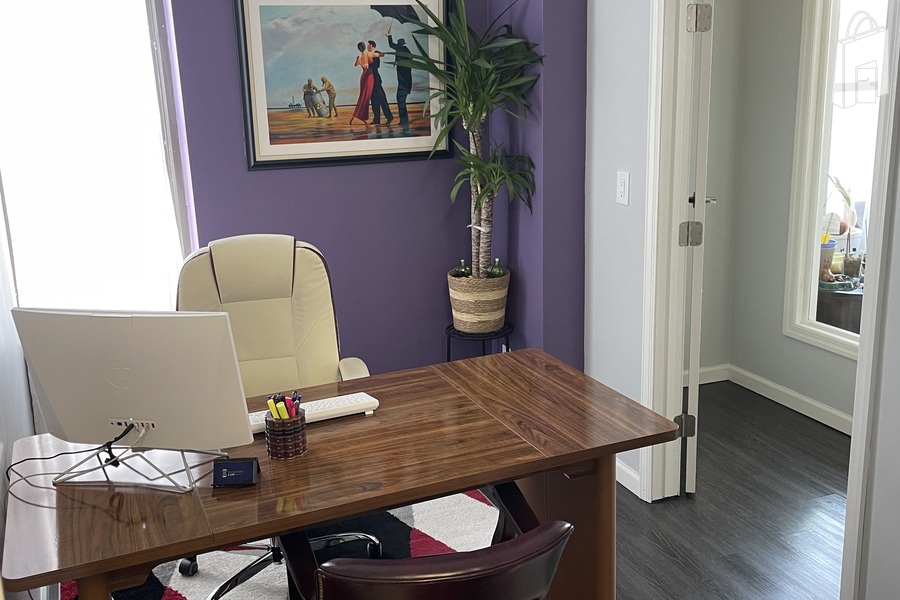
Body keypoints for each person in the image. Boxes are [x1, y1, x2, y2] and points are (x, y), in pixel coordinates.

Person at [387, 34, 412, 127]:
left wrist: (389, 36)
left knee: (400, 100)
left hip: (403, 83)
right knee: (401, 101)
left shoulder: (401, 50)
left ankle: (404, 121)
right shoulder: (407, 51)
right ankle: (404, 120)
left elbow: (391, 45)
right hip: (405, 82)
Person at [366, 40, 393, 125]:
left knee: (382, 99)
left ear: (372, 46)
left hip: (376, 80)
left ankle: (389, 117)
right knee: (374, 101)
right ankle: (376, 119)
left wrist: (370, 59)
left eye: (368, 45)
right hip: (371, 80)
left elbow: (376, 66)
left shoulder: (376, 53)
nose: (367, 47)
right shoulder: (368, 54)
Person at [351, 41, 374, 125]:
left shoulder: (361, 57)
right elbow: (368, 63)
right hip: (367, 77)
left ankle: (356, 115)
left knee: (363, 96)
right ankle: (359, 115)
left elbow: (356, 64)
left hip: (364, 76)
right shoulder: (365, 55)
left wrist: (357, 60)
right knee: (364, 97)